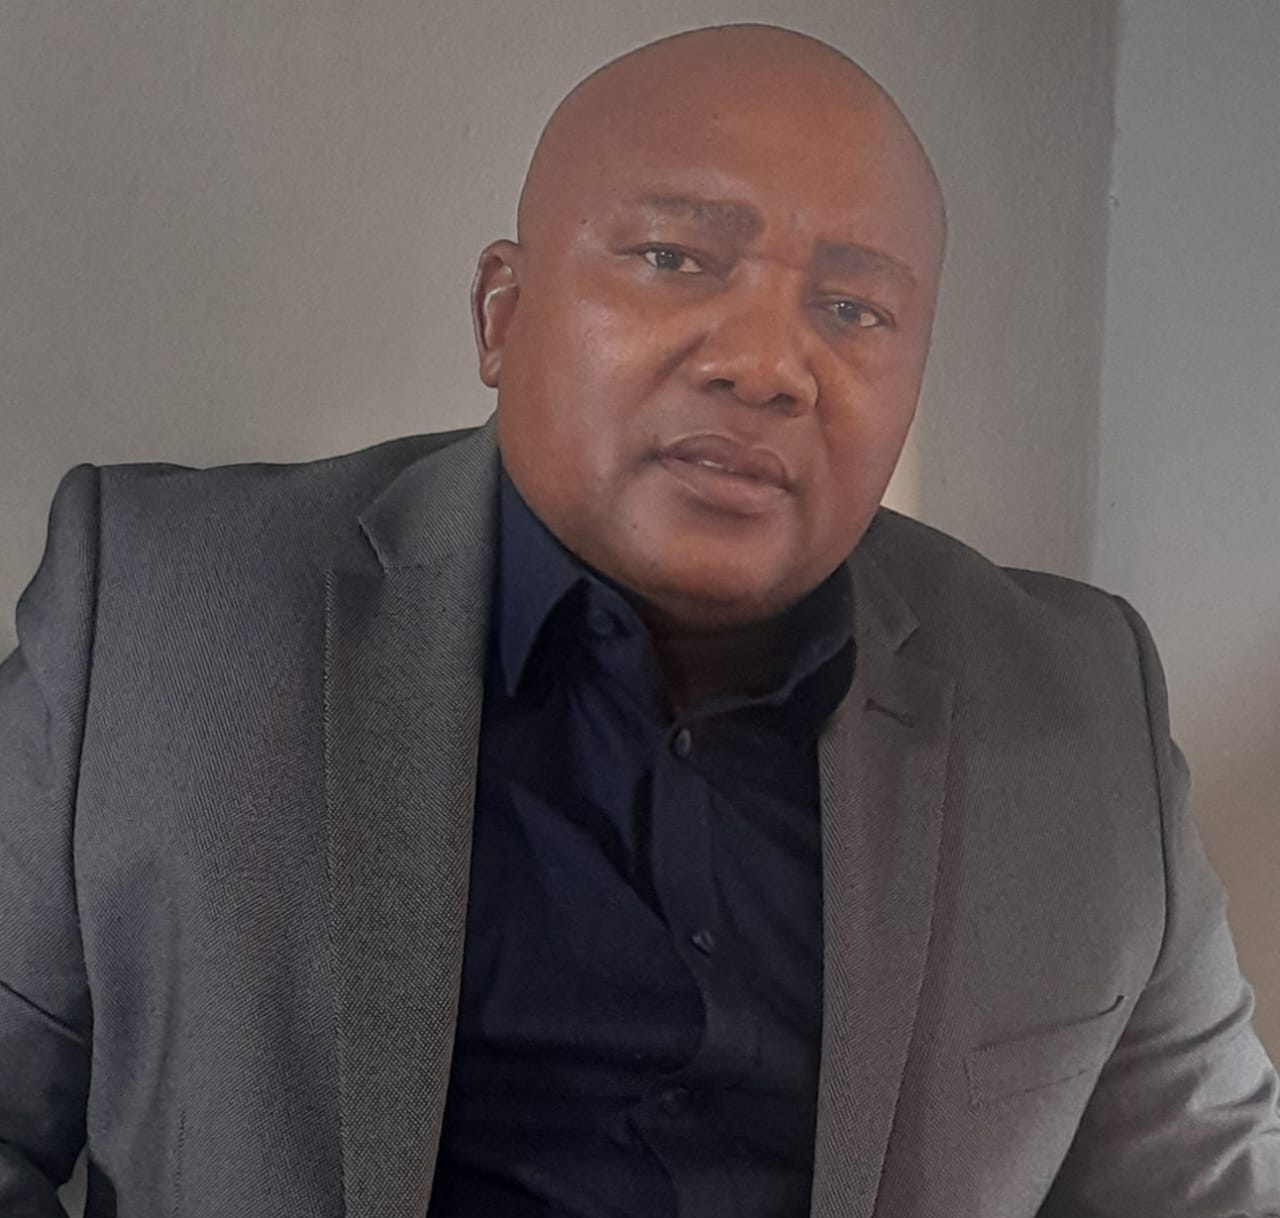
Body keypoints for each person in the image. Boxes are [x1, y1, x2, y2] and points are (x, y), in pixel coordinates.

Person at [1, 21, 1277, 1218]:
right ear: (501, 315)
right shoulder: (165, 614)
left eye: (851, 309)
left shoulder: (1078, 709)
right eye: (673, 259)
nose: (763, 366)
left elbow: (1209, 1188)